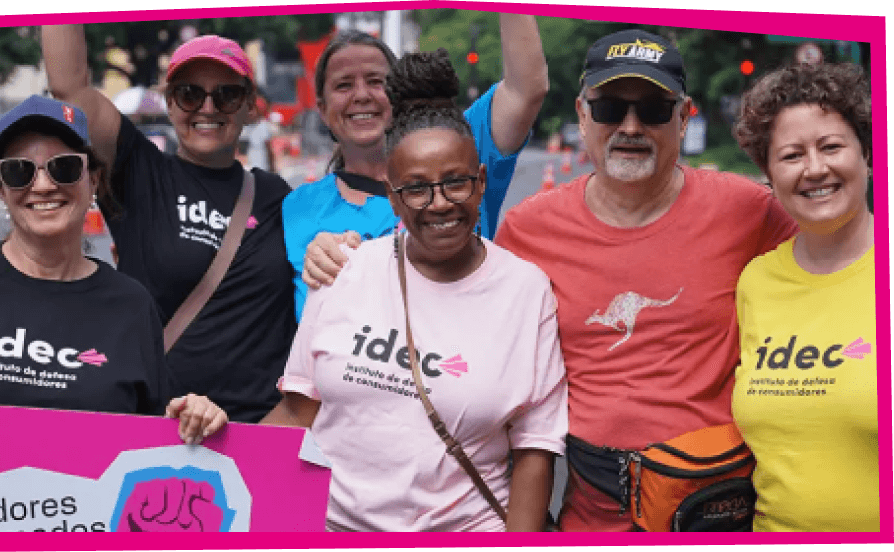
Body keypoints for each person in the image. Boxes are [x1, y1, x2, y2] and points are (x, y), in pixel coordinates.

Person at [492, 29, 799, 531]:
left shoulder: (748, 211)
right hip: (590, 512)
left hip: (717, 510)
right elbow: (465, 314)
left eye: (654, 109)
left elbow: (834, 264)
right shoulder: (529, 228)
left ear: (684, 117)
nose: (630, 126)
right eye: (611, 107)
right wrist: (359, 257)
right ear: (582, 113)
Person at [260, 50, 567, 532]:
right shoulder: (344, 271)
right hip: (330, 526)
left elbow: (535, 448)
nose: (439, 204)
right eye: (418, 189)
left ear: (481, 182)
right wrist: (208, 461)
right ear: (395, 197)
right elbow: (297, 410)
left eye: (456, 183)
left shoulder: (526, 291)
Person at [41, 26, 297, 423]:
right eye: (190, 93)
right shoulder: (138, 171)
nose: (207, 108)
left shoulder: (277, 196)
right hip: (158, 425)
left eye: (227, 95)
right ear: (170, 103)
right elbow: (69, 86)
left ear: (250, 107)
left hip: (256, 434)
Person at [0, 94, 226, 444]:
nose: (42, 185)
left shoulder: (131, 305)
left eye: (64, 167)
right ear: (2, 190)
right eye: (18, 171)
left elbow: (153, 443)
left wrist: (195, 418)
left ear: (93, 181)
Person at [284, 14, 549, 320]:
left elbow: (526, 88)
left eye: (375, 81)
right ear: (322, 107)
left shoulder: (461, 142)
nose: (361, 95)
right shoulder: (297, 207)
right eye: (344, 85)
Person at [731, 63, 878, 532]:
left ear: (867, 154)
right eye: (792, 155)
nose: (815, 169)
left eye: (832, 146)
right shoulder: (757, 281)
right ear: (768, 174)